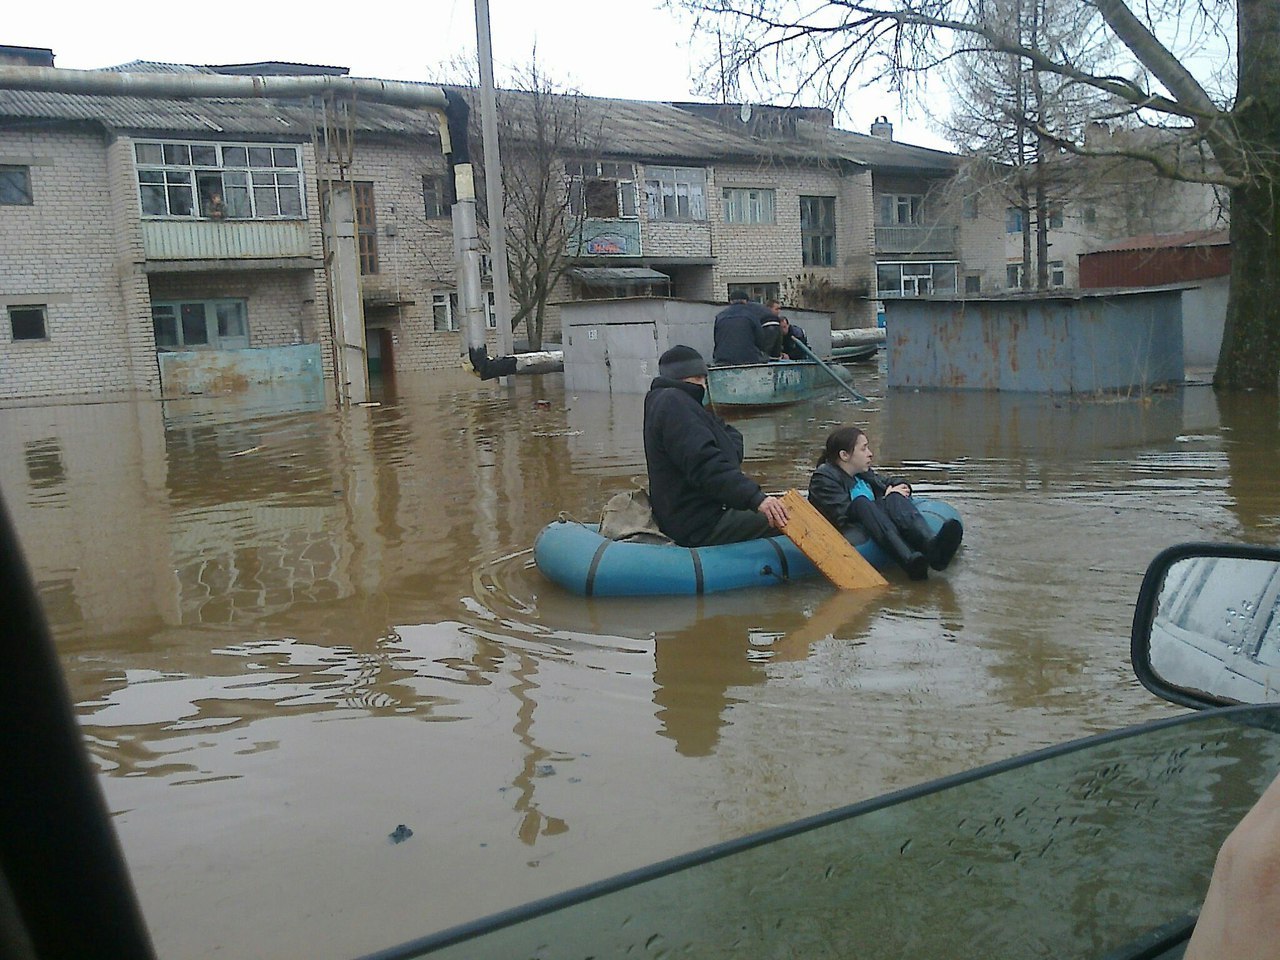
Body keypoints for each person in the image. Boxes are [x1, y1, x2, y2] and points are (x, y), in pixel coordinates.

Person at [644, 344, 788, 546]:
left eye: (704, 379)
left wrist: (725, 451)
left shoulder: (673, 404)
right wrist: (757, 499)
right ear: (682, 378)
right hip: (700, 523)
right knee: (789, 517)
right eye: (698, 379)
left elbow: (731, 438)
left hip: (691, 515)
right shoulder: (674, 404)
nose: (703, 386)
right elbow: (707, 465)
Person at [808, 425, 962, 580]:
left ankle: (932, 548)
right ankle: (908, 560)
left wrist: (900, 489)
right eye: (864, 449)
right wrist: (884, 499)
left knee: (894, 497)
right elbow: (841, 515)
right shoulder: (824, 477)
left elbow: (892, 482)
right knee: (863, 502)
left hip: (875, 521)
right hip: (849, 531)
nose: (870, 454)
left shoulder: (863, 473)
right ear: (844, 455)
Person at [713, 289, 779, 365]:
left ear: (730, 301)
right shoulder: (751, 315)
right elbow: (760, 340)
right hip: (749, 359)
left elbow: (717, 340)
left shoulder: (720, 316)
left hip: (722, 359)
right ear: (746, 302)